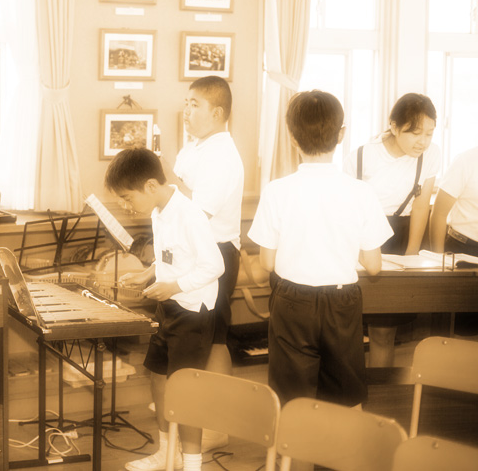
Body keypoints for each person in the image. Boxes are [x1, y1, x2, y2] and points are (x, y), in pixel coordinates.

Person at [248, 91, 392, 411]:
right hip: (342, 302)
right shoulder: (361, 192)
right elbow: (374, 266)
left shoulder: (276, 191)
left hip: (291, 301)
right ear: (342, 134)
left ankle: (294, 443)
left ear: (292, 137)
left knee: (291, 399)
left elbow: (267, 262)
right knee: (345, 396)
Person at [108, 147, 225, 471]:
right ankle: (167, 452)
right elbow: (172, 256)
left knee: (185, 392)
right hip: (168, 308)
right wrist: (148, 273)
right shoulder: (159, 211)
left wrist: (173, 286)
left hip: (192, 312)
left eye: (127, 198)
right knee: (158, 378)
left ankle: (192, 464)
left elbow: (214, 266)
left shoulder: (189, 214)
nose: (125, 205)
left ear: (150, 186)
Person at [170, 75, 244, 452]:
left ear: (217, 113)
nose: (186, 111)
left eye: (194, 104)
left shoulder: (222, 155)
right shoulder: (195, 146)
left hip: (215, 251)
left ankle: (218, 424)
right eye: (186, 103)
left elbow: (198, 211)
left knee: (213, 339)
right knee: (203, 337)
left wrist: (168, 188)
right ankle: (201, 417)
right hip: (192, 248)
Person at [343, 93, 441, 368]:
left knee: (384, 332)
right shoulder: (361, 156)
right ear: (394, 126)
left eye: (429, 133)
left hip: (400, 237)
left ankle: (382, 389)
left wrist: (411, 254)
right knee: (348, 329)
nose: (423, 141)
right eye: (415, 133)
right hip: (360, 240)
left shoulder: (431, 154)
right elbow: (346, 210)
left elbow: (421, 206)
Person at [430, 145, 478, 334]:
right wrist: (437, 262)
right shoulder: (467, 160)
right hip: (463, 251)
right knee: (458, 331)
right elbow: (438, 214)